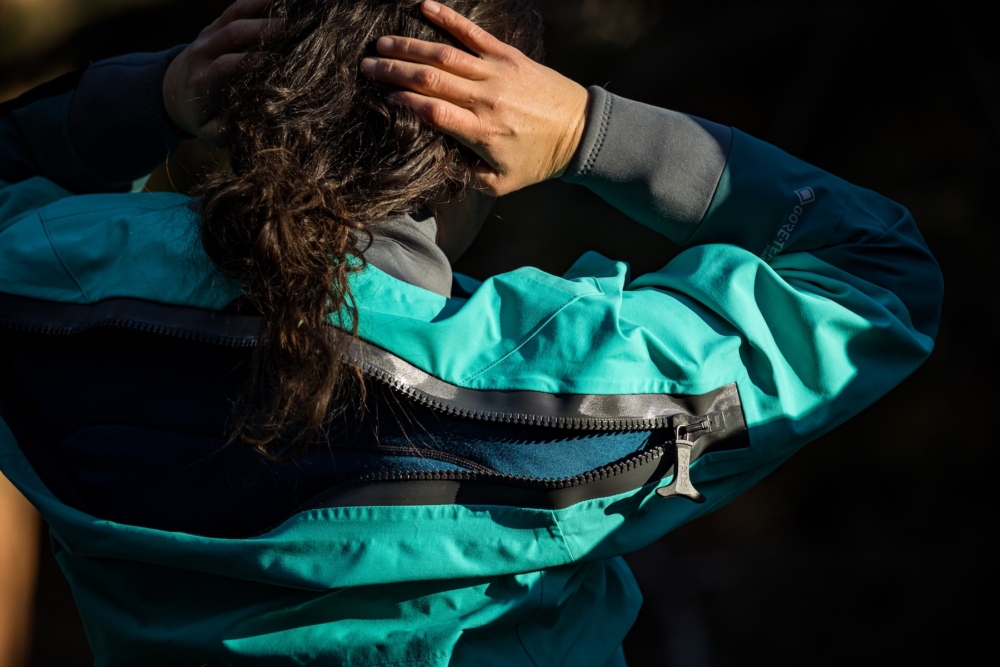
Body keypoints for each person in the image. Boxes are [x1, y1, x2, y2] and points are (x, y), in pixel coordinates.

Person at [0, 0, 942, 664]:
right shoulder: (573, 380)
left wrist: (147, 97)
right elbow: (880, 275)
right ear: (476, 161)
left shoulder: (51, 288)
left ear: (245, 102)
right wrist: (588, 129)